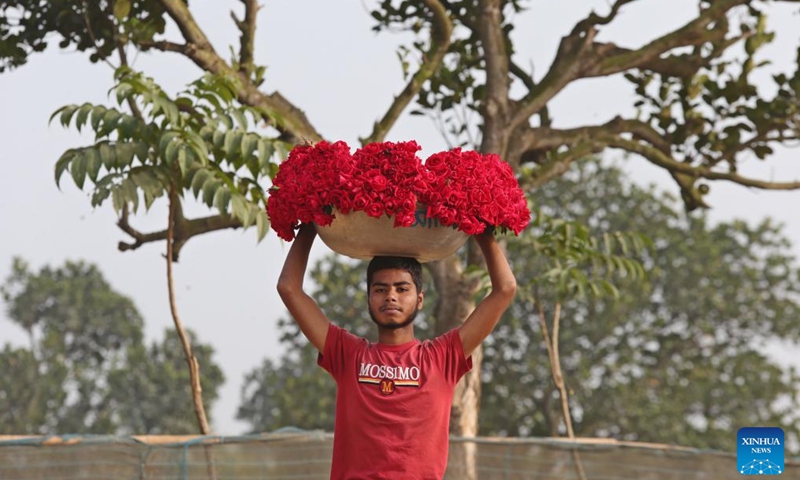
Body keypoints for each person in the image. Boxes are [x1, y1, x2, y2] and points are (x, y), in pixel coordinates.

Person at [277, 223, 516, 480]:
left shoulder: (442, 357)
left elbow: (505, 289)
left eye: (402, 289)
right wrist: (311, 224)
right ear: (368, 298)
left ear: (420, 299)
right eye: (380, 289)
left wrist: (479, 227)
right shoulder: (347, 354)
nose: (391, 297)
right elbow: (289, 288)